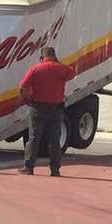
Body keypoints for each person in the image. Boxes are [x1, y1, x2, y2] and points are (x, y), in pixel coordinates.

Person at [18, 46, 75, 176]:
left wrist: (27, 100)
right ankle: (55, 170)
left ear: (42, 57)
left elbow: (23, 86)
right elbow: (72, 73)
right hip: (56, 110)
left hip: (37, 108)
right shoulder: (62, 69)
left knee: (33, 139)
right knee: (54, 140)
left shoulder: (35, 69)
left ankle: (28, 168)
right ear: (55, 56)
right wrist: (58, 63)